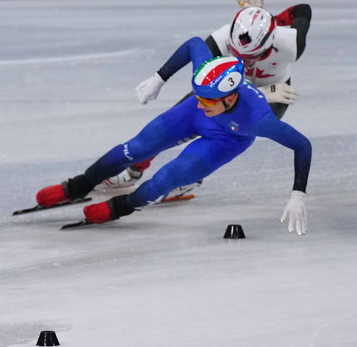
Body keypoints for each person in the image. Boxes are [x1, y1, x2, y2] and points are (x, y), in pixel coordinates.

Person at [34, 37, 312, 234]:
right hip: (191, 116)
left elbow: (302, 145)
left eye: (208, 100)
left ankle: (124, 205)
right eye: (199, 96)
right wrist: (159, 78)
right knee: (135, 148)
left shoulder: (259, 120)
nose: (202, 102)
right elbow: (194, 44)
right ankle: (80, 185)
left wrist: (298, 194)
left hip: (226, 140)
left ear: (228, 98)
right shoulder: (204, 98)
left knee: (168, 177)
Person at [105, 0, 312, 191]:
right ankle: (135, 169)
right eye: (235, 52)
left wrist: (267, 21)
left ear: (269, 45)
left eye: (249, 58)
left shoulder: (291, 45)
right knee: (176, 121)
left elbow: (303, 9)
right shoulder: (220, 39)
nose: (241, 61)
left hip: (274, 91)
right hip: (229, 86)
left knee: (230, 131)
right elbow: (200, 77)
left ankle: (192, 176)